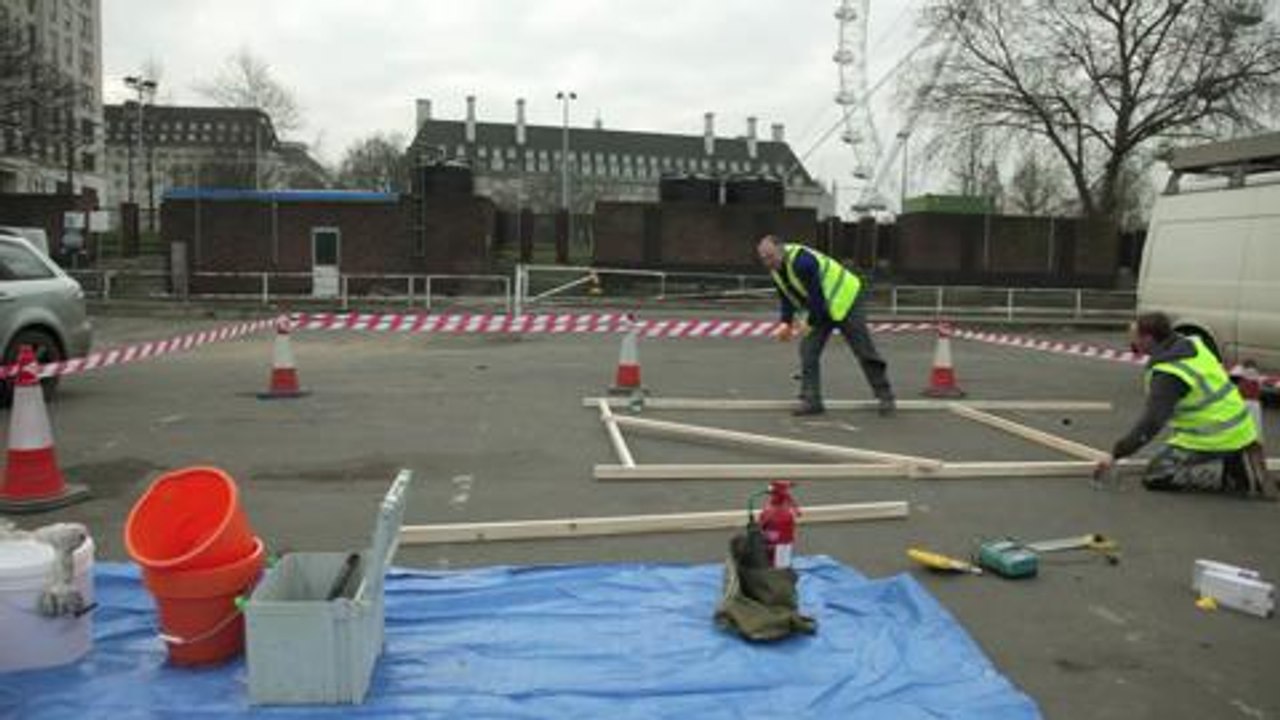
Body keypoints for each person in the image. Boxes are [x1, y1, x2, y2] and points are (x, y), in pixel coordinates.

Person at [1095, 311, 1270, 495]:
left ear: (1148, 339)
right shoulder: (1193, 343)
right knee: (1171, 451)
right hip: (1241, 428)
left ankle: (1217, 473)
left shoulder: (1169, 374)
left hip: (1213, 437)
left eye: (1135, 337)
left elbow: (1151, 423)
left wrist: (1116, 454)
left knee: (1156, 475)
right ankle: (1233, 458)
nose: (1131, 342)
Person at [756, 235, 895, 416]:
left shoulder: (803, 262)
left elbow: (817, 298)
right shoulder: (776, 270)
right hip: (823, 306)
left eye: (770, 256)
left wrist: (809, 323)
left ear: (781, 250)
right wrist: (786, 323)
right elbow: (786, 298)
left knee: (863, 350)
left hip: (847, 300)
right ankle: (812, 400)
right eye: (763, 258)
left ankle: (885, 396)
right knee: (808, 350)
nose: (767, 261)